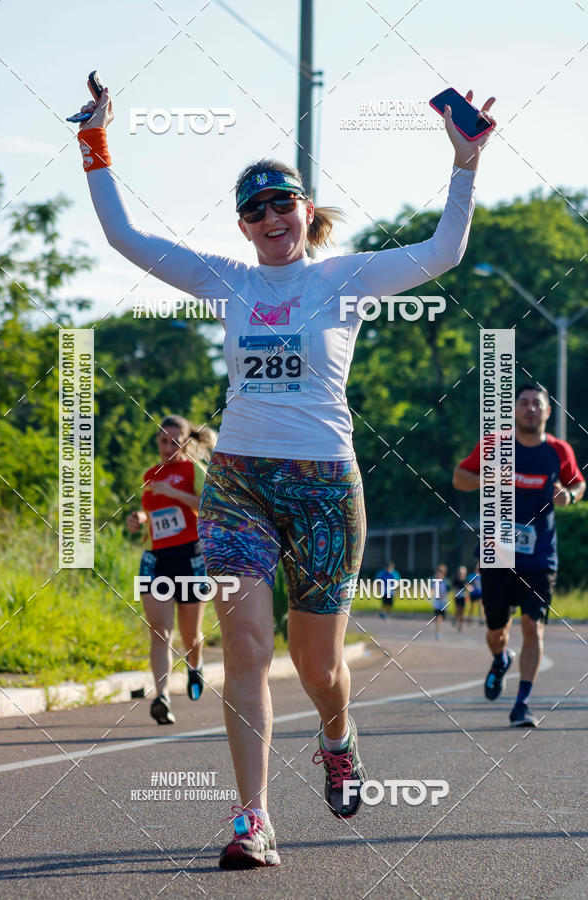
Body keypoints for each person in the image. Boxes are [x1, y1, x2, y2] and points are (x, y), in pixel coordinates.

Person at [76, 81, 495, 868]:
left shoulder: (346, 279)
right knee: (244, 645)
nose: (272, 218)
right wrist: (96, 145)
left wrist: (465, 165)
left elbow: (444, 252)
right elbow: (126, 238)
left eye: (284, 204)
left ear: (307, 213)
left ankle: (338, 735)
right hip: (237, 482)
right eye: (257, 209)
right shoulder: (224, 281)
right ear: (243, 224)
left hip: (326, 487)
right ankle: (252, 819)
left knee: (318, 667)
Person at [453, 383, 585, 727]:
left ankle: (522, 704)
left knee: (533, 626)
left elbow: (578, 484)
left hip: (540, 556)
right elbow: (459, 478)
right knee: (497, 630)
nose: (530, 409)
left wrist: (568, 497)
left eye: (536, 404)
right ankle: (500, 659)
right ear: (514, 410)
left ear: (547, 411)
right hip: (498, 553)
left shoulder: (558, 450)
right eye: (524, 403)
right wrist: (487, 478)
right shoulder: (496, 444)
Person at [126, 415, 215, 724]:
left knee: (190, 634)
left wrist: (175, 492)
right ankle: (161, 696)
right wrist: (140, 519)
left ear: (186, 442)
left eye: (175, 441)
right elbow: (154, 513)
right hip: (156, 558)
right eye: (164, 440)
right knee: (160, 631)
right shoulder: (150, 474)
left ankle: (195, 664)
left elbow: (208, 506)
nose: (168, 446)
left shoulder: (194, 470)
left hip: (190, 557)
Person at [432, 564, 449, 639]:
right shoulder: (434, 581)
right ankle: (438, 632)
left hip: (443, 604)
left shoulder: (446, 582)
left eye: (441, 572)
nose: (439, 573)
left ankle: (438, 631)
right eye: (438, 571)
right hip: (437, 604)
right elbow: (432, 590)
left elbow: (448, 591)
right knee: (438, 618)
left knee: (442, 618)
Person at [451, 564, 468, 632]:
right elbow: (454, 589)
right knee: (458, 610)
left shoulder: (465, 580)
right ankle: (454, 619)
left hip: (463, 597)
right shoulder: (456, 580)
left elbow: (467, 588)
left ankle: (460, 626)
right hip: (458, 597)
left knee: (462, 612)